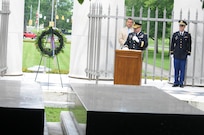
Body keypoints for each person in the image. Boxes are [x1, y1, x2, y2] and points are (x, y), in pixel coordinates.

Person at [170, 20, 192, 88]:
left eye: (182, 26)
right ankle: (176, 81)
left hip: (183, 54)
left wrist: (188, 52)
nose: (181, 27)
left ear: (184, 27)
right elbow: (172, 43)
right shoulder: (175, 34)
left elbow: (189, 44)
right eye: (180, 25)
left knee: (182, 69)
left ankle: (181, 82)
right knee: (176, 68)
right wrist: (171, 51)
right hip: (176, 54)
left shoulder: (187, 35)